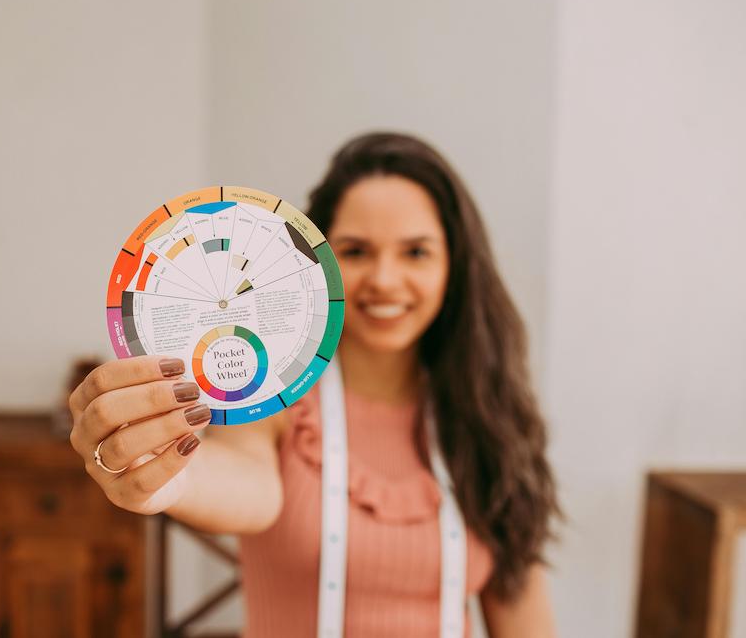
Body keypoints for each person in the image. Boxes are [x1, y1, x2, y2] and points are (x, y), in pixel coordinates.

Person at [69, 132, 560, 637]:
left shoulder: (487, 418)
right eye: (356, 251)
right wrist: (164, 477)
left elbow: (526, 623)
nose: (385, 280)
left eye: (416, 252)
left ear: (454, 267)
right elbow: (246, 481)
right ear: (316, 266)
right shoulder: (278, 395)